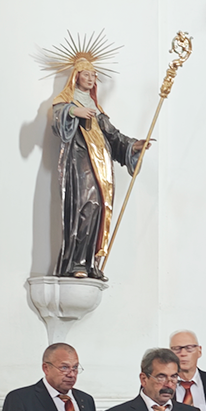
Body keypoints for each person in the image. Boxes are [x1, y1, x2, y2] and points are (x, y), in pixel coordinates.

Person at [50, 58, 149, 280]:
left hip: (102, 164)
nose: (91, 78)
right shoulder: (66, 100)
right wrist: (74, 112)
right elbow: (57, 120)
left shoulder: (96, 107)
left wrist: (134, 145)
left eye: (93, 75)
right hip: (80, 160)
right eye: (86, 74)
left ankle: (90, 262)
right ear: (76, 76)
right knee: (85, 204)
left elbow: (113, 136)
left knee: (99, 208)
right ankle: (76, 261)